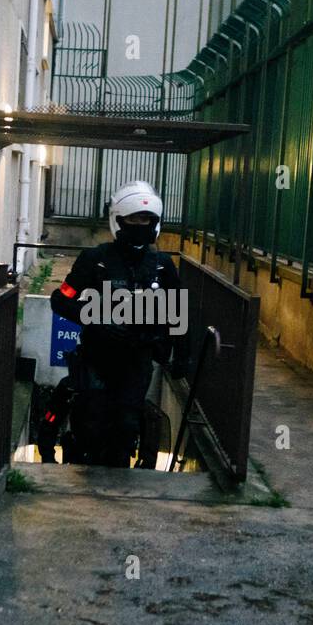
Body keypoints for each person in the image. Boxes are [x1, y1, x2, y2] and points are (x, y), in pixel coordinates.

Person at [43, 181, 192, 467]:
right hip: (96, 356)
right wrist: (96, 320)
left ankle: (122, 476)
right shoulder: (95, 260)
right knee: (91, 422)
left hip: (138, 359)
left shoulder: (162, 266)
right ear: (119, 220)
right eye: (135, 218)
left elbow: (179, 315)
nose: (141, 224)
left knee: (126, 424)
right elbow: (61, 300)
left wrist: (181, 356)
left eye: (147, 219)